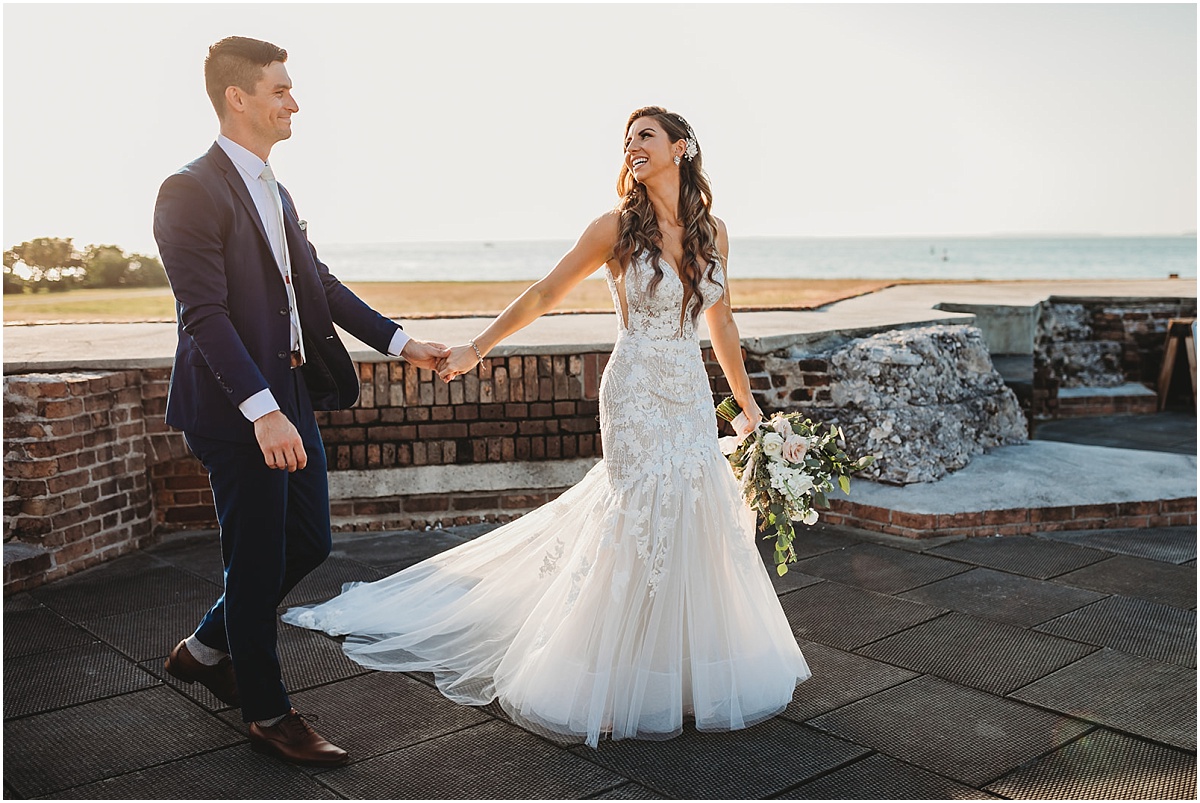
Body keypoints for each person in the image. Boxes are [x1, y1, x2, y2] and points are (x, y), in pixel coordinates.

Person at [284, 106, 811, 748]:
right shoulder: (614, 228)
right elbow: (543, 293)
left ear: (681, 147)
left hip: (690, 394)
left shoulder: (713, 232)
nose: (632, 148)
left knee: (694, 514)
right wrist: (478, 347)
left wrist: (751, 413)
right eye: (627, 141)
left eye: (645, 136)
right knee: (638, 517)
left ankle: (687, 679)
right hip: (637, 390)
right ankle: (608, 681)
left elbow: (722, 325)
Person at [153, 36, 448, 767]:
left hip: (288, 390)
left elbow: (318, 283)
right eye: (281, 89)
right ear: (238, 98)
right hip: (235, 406)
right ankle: (267, 710)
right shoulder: (187, 189)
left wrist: (402, 341)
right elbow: (204, 315)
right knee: (254, 560)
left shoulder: (276, 190)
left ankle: (204, 645)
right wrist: (262, 410)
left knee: (309, 540)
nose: (293, 101)